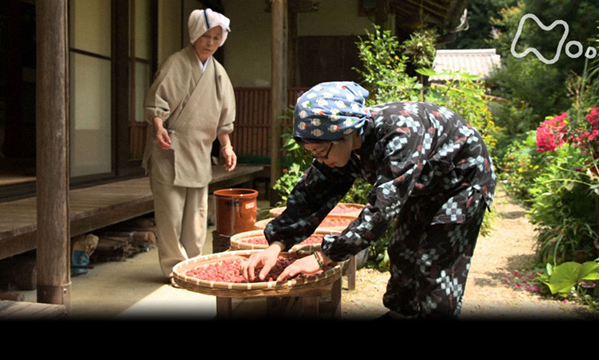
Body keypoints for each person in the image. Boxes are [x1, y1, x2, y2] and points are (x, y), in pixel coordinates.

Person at [241, 81, 496, 319]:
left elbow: (382, 210)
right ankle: (401, 314)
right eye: (312, 153)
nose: (319, 160)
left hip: (463, 180)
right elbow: (310, 196)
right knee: (402, 251)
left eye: (321, 151)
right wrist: (276, 245)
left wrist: (324, 257)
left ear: (346, 132)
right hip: (426, 184)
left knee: (434, 262)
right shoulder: (340, 144)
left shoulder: (400, 133)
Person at [142, 8, 237, 281]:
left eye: (216, 37)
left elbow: (224, 117)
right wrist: (158, 126)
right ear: (195, 34)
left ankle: (193, 267)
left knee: (197, 216)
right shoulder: (176, 63)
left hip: (199, 152)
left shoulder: (218, 73)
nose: (210, 43)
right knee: (170, 215)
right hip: (169, 149)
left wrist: (227, 146)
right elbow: (157, 104)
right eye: (205, 36)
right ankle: (174, 268)